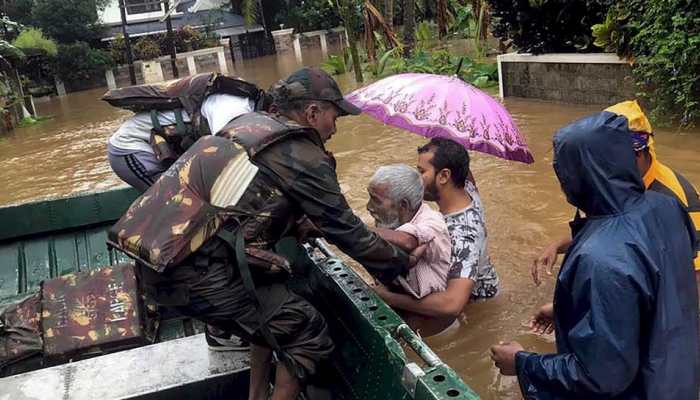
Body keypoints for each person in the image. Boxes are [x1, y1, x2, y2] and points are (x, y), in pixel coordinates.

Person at [111, 67, 413, 400]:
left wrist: (299, 224)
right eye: (334, 117)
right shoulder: (302, 153)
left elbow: (248, 201)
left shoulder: (246, 126)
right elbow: (347, 231)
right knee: (305, 330)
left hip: (157, 262)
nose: (334, 128)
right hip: (192, 274)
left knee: (272, 299)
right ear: (312, 112)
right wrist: (400, 265)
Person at [491, 109, 699, 399]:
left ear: (576, 175)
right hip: (681, 375)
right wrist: (570, 309)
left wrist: (524, 363)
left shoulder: (600, 257)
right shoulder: (665, 207)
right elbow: (666, 287)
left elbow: (600, 375)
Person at [530, 100, 700, 332]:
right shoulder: (608, 184)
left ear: (638, 152)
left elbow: (690, 283)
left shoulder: (675, 200)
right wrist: (558, 244)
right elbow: (602, 231)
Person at [374, 138, 499, 336]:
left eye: (422, 172)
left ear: (444, 176)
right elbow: (460, 164)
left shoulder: (462, 233)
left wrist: (386, 297)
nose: (416, 179)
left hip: (475, 305)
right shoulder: (466, 189)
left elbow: (452, 304)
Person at [105, 73, 265, 192]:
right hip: (130, 148)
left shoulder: (247, 105)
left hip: (160, 149)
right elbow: (225, 155)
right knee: (174, 202)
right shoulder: (234, 107)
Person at [367, 164, 452, 299]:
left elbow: (408, 241)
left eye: (376, 201)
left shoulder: (433, 222)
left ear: (403, 205)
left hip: (430, 314)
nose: (369, 207)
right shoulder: (388, 221)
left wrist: (354, 229)